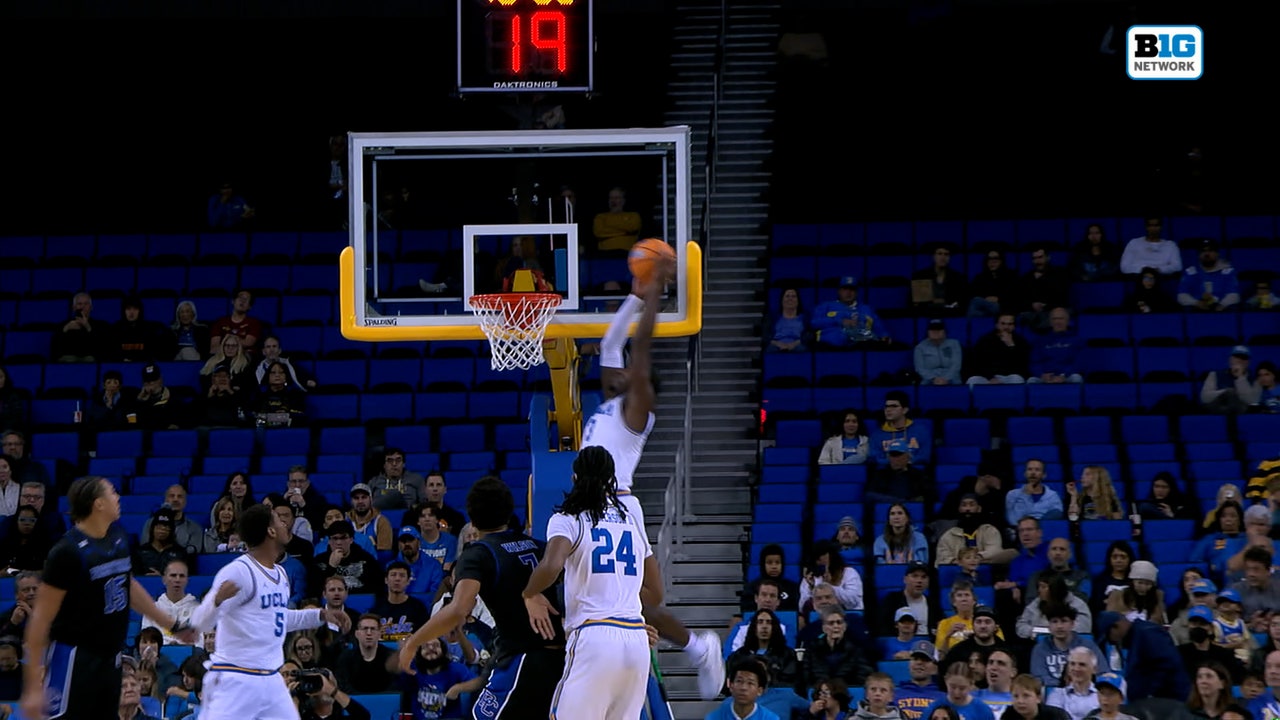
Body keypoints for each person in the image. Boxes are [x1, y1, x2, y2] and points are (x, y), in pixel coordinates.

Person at [579, 250, 725, 699]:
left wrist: (656, 296)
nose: (618, 371)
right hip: (592, 506)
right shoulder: (609, 403)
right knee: (636, 602)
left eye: (629, 374)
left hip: (619, 507)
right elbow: (610, 345)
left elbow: (637, 352)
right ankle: (697, 646)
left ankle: (695, 647)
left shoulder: (635, 414)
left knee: (646, 600)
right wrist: (633, 296)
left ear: (640, 386)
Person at [20, 476, 199, 720]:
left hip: (110, 657)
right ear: (98, 504)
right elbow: (40, 619)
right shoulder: (66, 552)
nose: (118, 497)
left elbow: (127, 585)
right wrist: (31, 688)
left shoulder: (117, 536)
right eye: (112, 492)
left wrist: (172, 625)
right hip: (75, 659)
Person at [398, 476, 566, 719]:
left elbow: (459, 609)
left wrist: (413, 642)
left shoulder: (479, 553)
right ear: (510, 511)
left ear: (471, 517)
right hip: (560, 657)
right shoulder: (539, 547)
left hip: (523, 658)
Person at [522, 446, 655, 720]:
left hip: (594, 636)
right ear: (612, 479)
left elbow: (551, 566)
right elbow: (656, 591)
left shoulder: (568, 517)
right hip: (636, 641)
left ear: (574, 478)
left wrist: (529, 593)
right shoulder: (631, 520)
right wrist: (624, 609)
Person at [187, 503, 352, 720]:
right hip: (236, 679)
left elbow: (276, 619)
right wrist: (215, 601)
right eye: (278, 520)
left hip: (271, 679)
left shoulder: (281, 574)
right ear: (271, 531)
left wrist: (320, 615)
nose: (285, 524)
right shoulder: (239, 571)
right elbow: (198, 623)